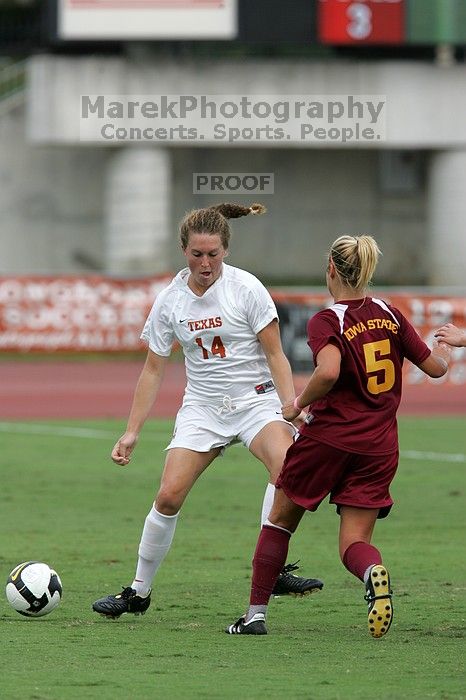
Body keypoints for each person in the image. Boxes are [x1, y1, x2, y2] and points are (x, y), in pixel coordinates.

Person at [93, 202, 323, 619]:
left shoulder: (247, 289)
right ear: (184, 251)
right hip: (202, 408)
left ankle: (272, 569)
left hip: (255, 401)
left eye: (213, 254)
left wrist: (290, 404)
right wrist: (132, 431)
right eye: (197, 254)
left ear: (226, 251)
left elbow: (276, 355)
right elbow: (152, 369)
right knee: (168, 496)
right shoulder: (170, 301)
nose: (205, 263)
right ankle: (138, 592)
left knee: (287, 468)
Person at [226, 234, 452, 638]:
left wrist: (297, 404)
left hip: (328, 441)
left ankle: (255, 615)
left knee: (278, 522)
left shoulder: (329, 320)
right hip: (379, 447)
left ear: (330, 268)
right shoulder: (390, 313)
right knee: (354, 540)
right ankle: (371, 571)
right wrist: (451, 346)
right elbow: (435, 368)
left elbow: (328, 371)